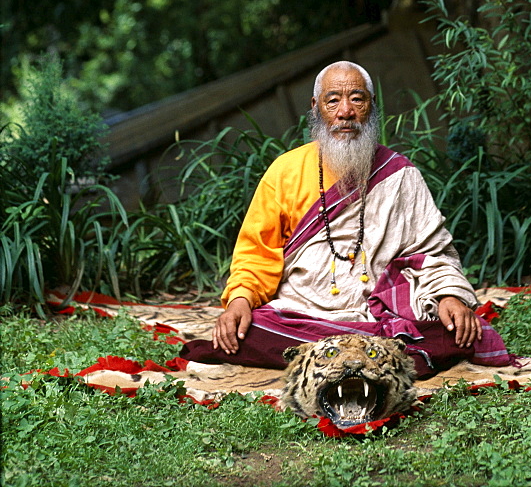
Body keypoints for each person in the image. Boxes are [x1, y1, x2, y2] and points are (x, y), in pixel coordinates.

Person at [180, 61, 512, 376]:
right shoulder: (285, 171)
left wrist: (449, 297)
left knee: (461, 332)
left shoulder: (401, 174)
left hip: (381, 311)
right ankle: (373, 355)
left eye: (357, 99)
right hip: (302, 312)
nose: (345, 112)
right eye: (333, 100)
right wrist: (239, 301)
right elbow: (257, 252)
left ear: (371, 105)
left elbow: (433, 252)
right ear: (315, 107)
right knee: (248, 332)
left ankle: (334, 353)